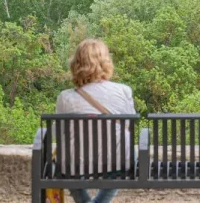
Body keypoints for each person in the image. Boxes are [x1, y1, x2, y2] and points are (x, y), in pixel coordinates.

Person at [54, 39, 137, 203]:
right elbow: (129, 125)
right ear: (106, 62)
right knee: (123, 158)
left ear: (76, 64)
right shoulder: (123, 91)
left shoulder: (65, 97)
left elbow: (59, 132)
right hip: (117, 163)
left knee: (65, 164)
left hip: (75, 165)